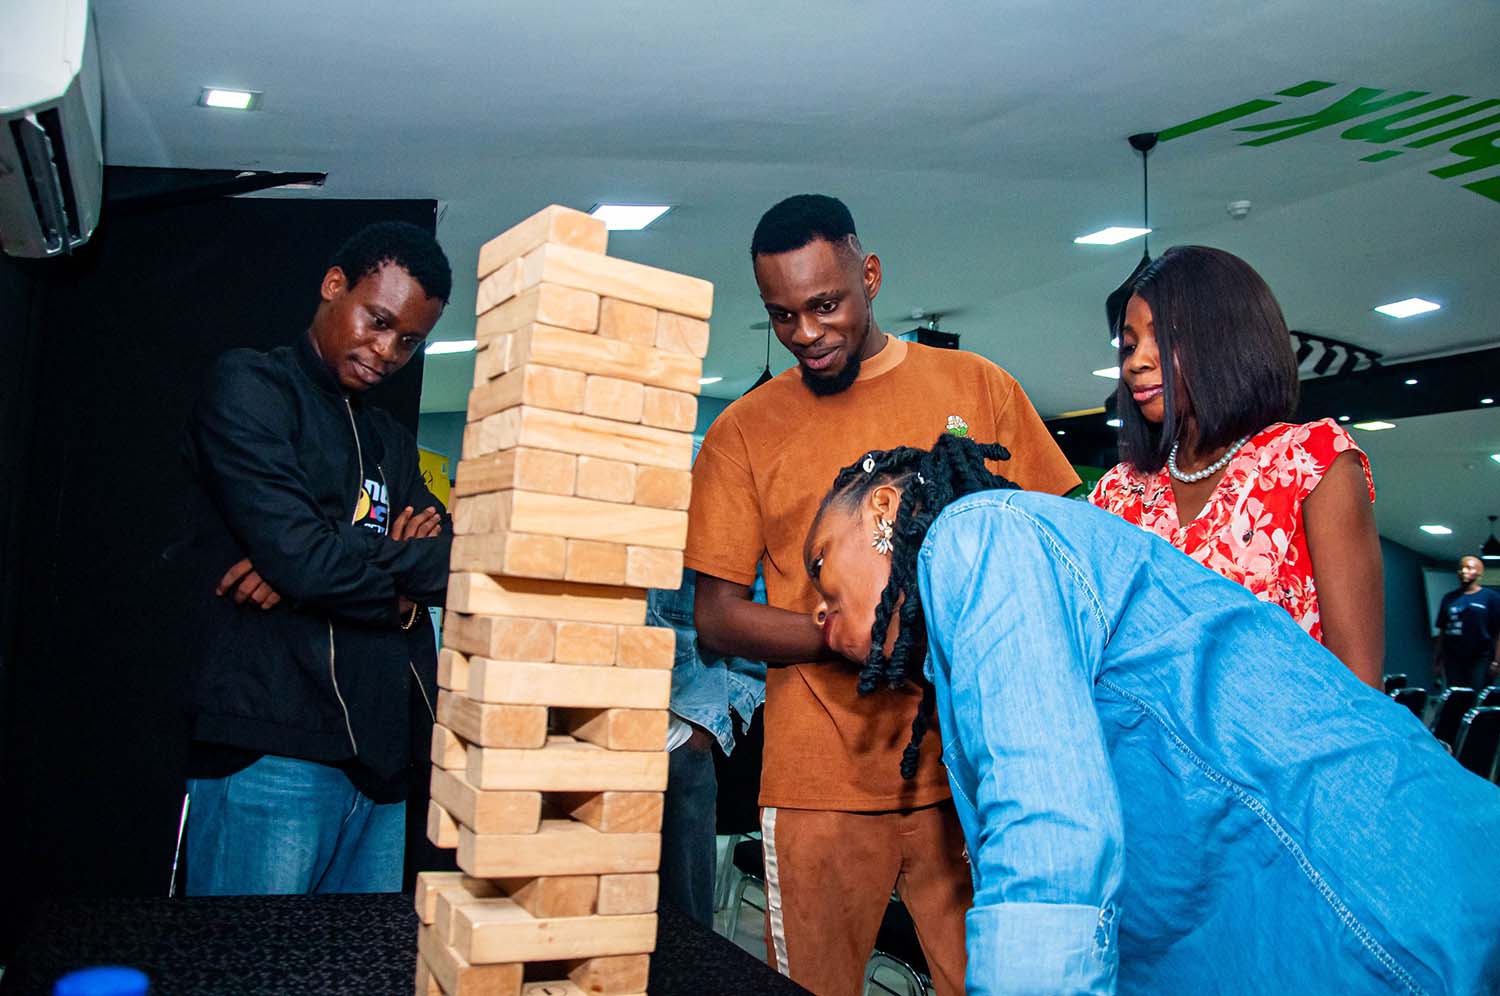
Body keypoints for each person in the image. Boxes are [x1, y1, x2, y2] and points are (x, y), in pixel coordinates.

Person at [803, 433, 1500, 996]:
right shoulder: (982, 598)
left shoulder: (976, 535)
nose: (814, 610)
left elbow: (1050, 837)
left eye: (820, 565)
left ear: (883, 507)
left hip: (1384, 898)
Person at [685, 194, 1079, 996]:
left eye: (825, 305)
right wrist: (849, 637)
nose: (806, 332)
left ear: (869, 276)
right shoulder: (744, 432)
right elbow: (716, 618)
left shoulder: (977, 386)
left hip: (969, 772)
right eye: (782, 315)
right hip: (816, 783)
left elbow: (1058, 551)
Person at [180, 221, 453, 895]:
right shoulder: (252, 387)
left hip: (383, 762)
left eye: (409, 340)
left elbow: (451, 562)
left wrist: (320, 553)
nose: (388, 350)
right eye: (378, 321)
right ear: (334, 285)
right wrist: (384, 580)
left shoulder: (389, 438)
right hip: (273, 745)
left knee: (357, 957)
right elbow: (300, 556)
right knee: (250, 955)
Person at [1091, 245, 1384, 687]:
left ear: (1226, 340)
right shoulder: (1118, 492)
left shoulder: (1310, 462)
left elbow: (1360, 684)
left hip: (1286, 729)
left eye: (1164, 339)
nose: (1136, 361)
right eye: (1129, 345)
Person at [1432, 555, 1500, 690]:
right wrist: (1437, 661)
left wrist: (1497, 661)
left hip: (1480, 657)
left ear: (1479, 572)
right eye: (1461, 568)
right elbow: (1442, 632)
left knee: (1477, 693)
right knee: (1456, 695)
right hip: (1453, 658)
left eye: (1469, 568)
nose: (1464, 571)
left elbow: (1498, 632)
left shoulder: (1491, 597)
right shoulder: (1449, 598)